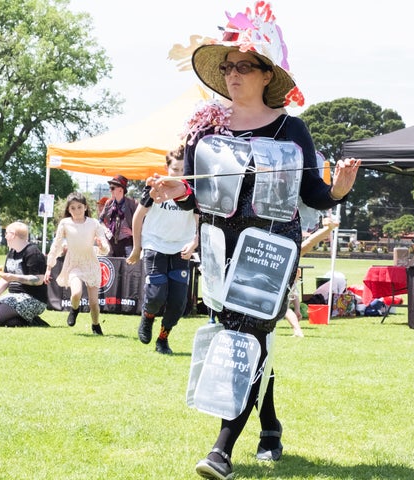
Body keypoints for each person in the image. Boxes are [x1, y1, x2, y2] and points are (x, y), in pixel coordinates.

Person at [153, 5, 360, 478]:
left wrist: (338, 191)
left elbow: (314, 196)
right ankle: (269, 425)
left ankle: (221, 451)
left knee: (246, 340)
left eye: (243, 65)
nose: (233, 74)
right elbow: (197, 195)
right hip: (217, 251)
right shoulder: (206, 128)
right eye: (227, 67)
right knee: (244, 338)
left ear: (267, 73)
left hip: (271, 249)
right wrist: (176, 191)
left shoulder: (293, 130)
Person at [127, 145, 199, 354]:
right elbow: (137, 217)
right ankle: (147, 317)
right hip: (155, 245)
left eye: (182, 170)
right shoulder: (155, 188)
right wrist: (136, 247)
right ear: (167, 168)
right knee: (157, 294)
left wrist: (194, 243)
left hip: (180, 248)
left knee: (178, 302)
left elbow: (199, 220)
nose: (178, 174)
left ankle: (163, 339)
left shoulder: (192, 191)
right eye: (174, 170)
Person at [45, 192, 110, 335]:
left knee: (94, 303)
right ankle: (74, 309)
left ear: (85, 207)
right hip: (73, 263)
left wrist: (101, 246)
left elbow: (105, 247)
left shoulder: (94, 223)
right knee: (76, 293)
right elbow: (56, 245)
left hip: (91, 263)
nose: (76, 211)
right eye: (72, 208)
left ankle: (96, 324)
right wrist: (49, 267)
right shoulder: (65, 223)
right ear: (68, 210)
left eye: (79, 207)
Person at [0, 222, 48, 326]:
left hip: (33, 299)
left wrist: (14, 277)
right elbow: (5, 279)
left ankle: (24, 319)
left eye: (6, 233)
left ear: (13, 234)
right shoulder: (11, 252)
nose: (5, 236)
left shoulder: (32, 252)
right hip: (14, 296)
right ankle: (25, 321)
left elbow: (39, 280)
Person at [99, 174, 138, 257]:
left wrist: (133, 233)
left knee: (129, 267)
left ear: (121, 190)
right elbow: (100, 220)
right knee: (112, 267)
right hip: (111, 243)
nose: (110, 190)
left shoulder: (132, 204)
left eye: (112, 188)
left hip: (127, 243)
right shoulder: (109, 203)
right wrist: (105, 229)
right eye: (110, 188)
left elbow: (142, 222)